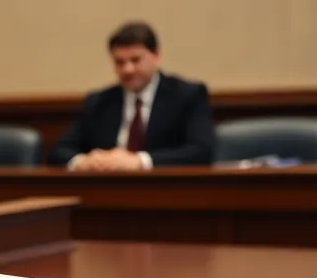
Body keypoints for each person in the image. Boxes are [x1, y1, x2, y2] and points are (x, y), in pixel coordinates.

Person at [48, 21, 215, 169]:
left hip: (165, 188)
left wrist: (140, 161)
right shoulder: (99, 102)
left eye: (135, 60)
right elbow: (58, 152)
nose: (127, 70)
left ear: (156, 56)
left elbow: (201, 151)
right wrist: (83, 161)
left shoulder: (187, 95)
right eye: (119, 62)